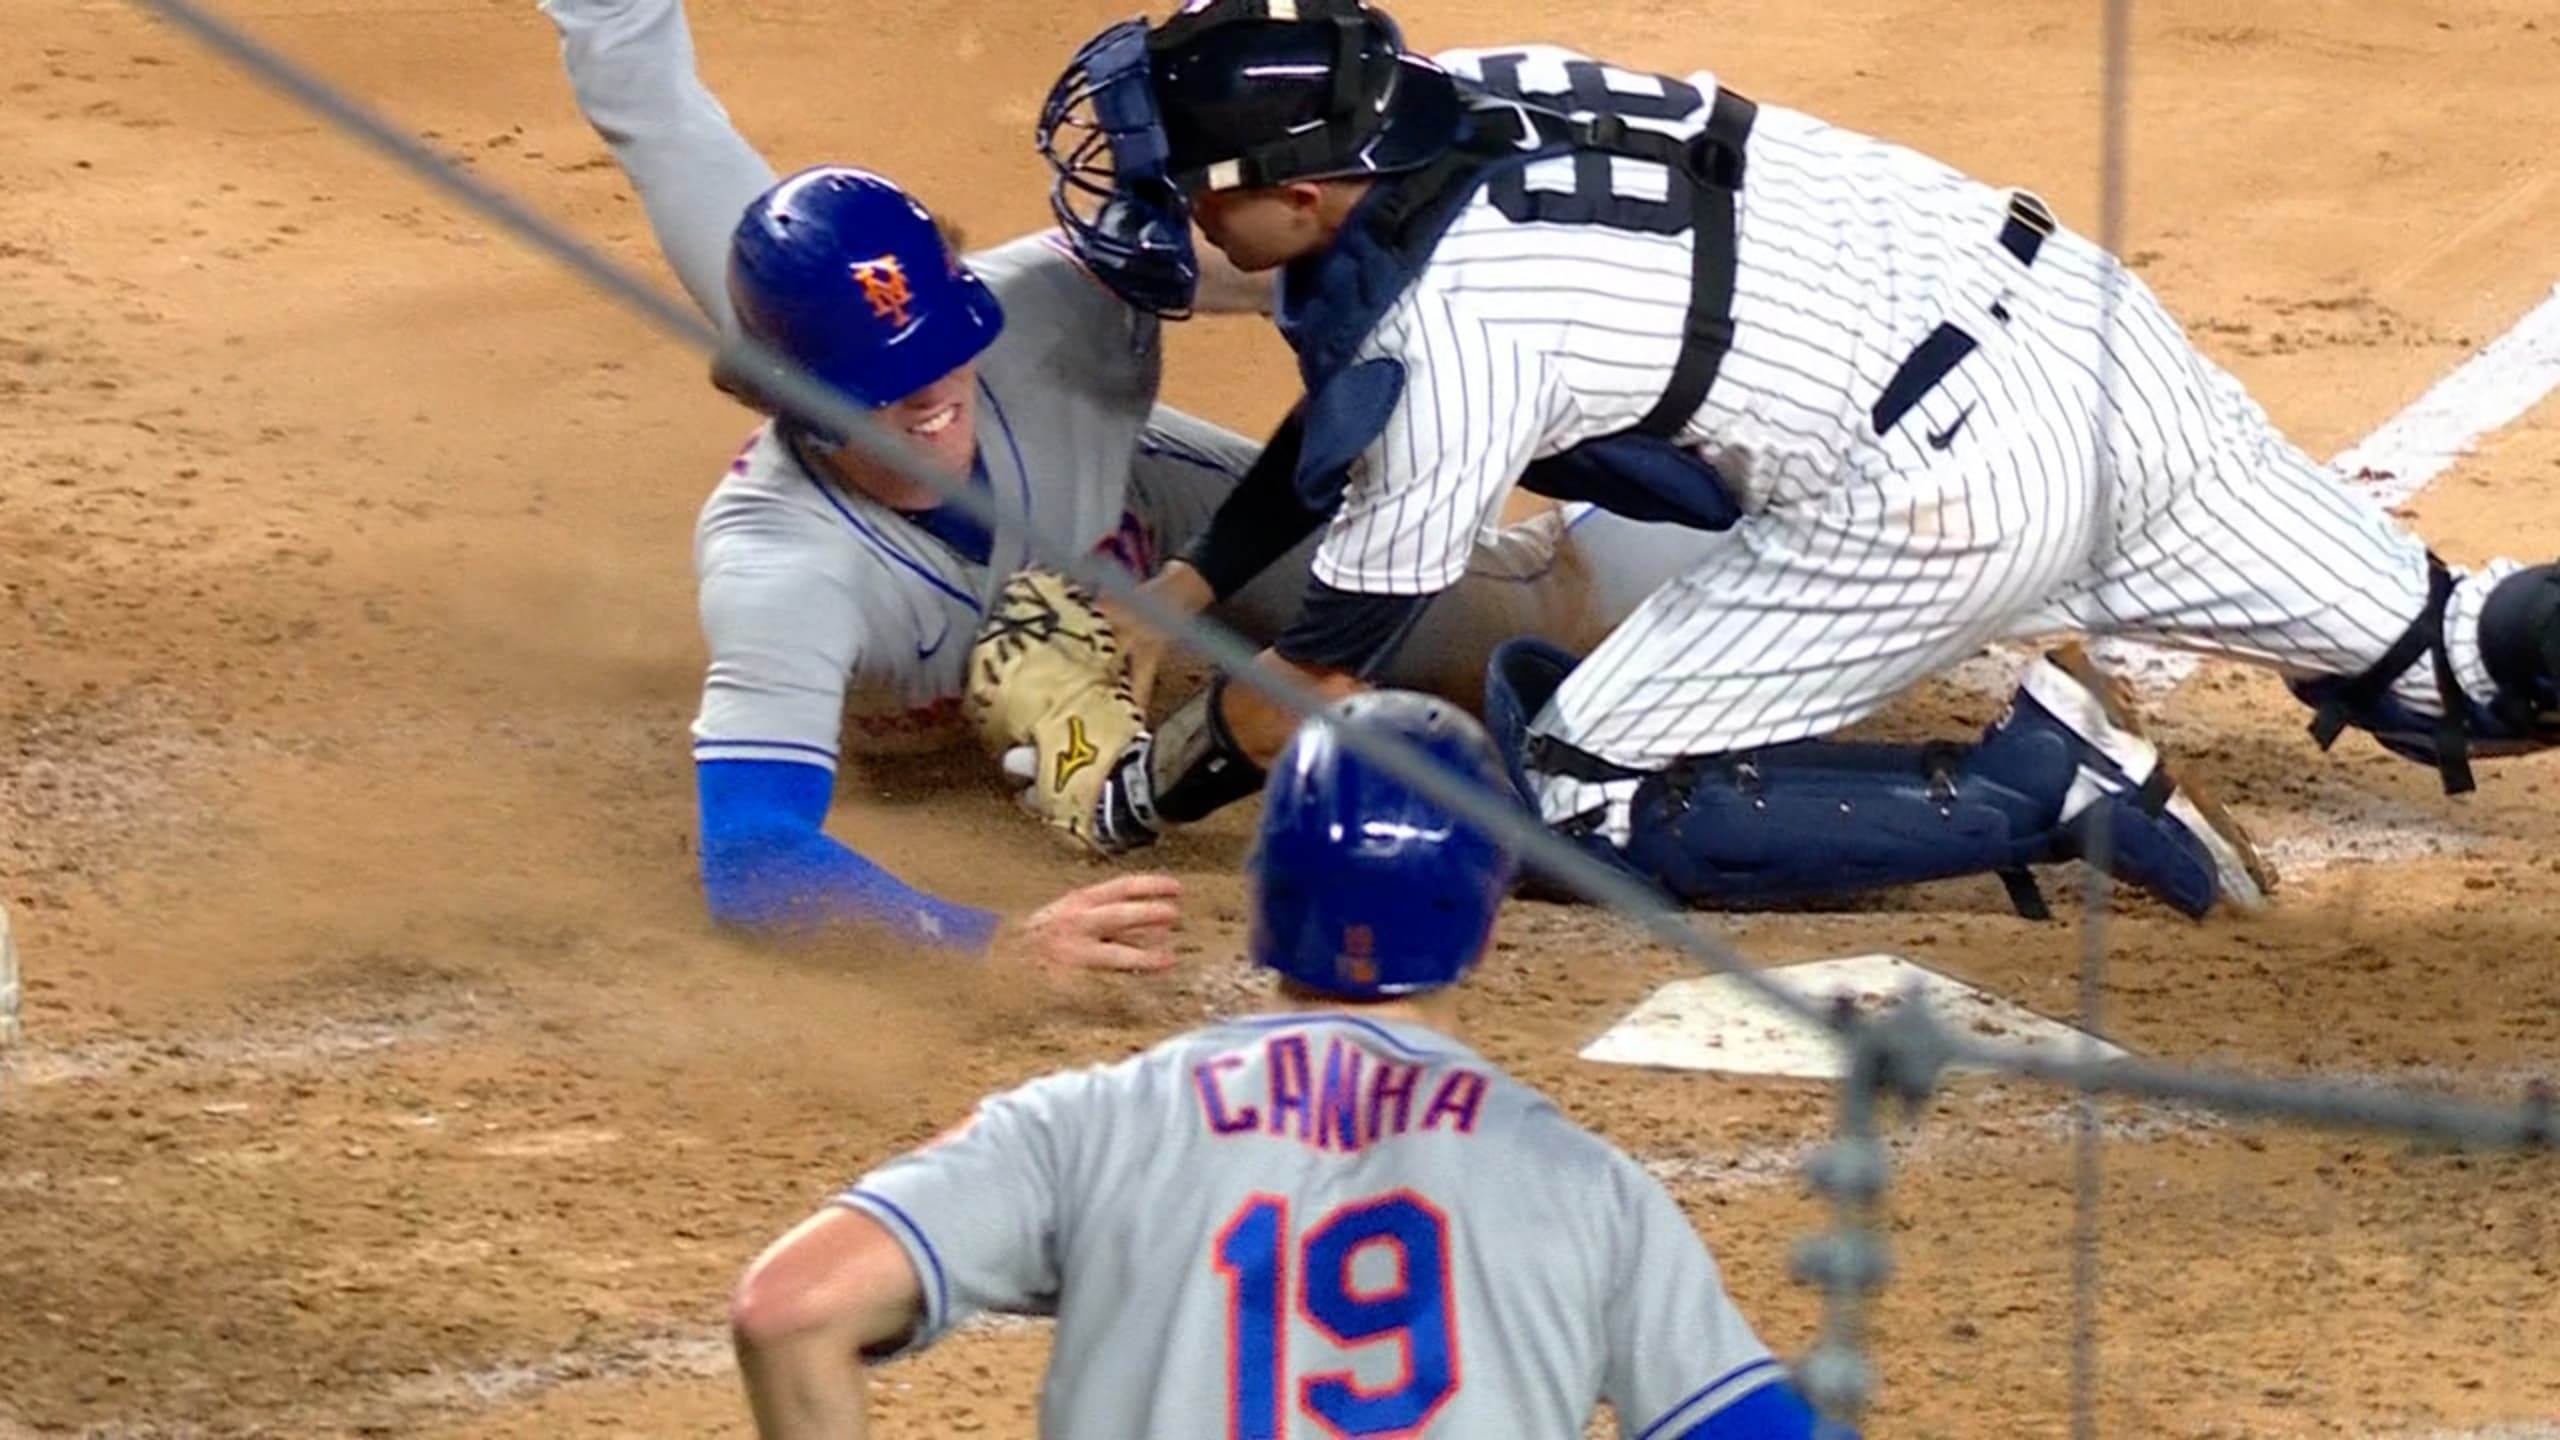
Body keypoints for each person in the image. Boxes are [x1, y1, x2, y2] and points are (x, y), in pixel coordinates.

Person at [1016, 0, 2559, 920]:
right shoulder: (1463, 89)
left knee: (1569, 790)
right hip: (2090, 341)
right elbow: (1365, 397)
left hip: (1943, 499)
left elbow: (1316, 692)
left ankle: (2046, 784)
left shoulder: (1464, 338)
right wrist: (1195, 582)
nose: (1172, 221)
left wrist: (1126, 801)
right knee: (2452, 656)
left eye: (1193, 188)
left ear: (1304, 188)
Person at [537, 0, 1730, 964]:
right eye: (883, 391)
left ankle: (1787, 518)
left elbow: (1315, 238)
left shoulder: (1048, 307)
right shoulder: (781, 569)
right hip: (927, 503)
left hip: (1141, 509)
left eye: (943, 353)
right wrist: (984, 947)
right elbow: (751, 860)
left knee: (1526, 621)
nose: (932, 397)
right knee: (714, 196)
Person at [727, 690, 1838, 1438]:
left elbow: (790, 1308)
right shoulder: (1586, 1194)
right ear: (1485, 922)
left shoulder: (1084, 1126)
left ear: (1266, 905)